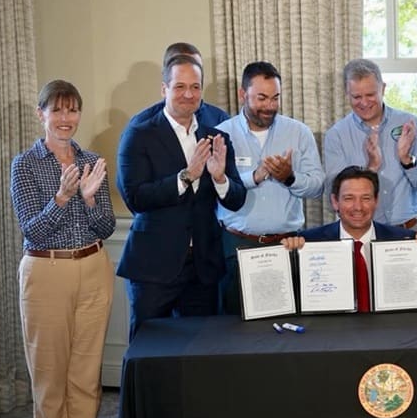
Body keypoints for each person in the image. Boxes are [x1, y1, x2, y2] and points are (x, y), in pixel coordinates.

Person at [10, 80, 116, 418]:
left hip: (94, 268)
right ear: (41, 114)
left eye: (72, 110)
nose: (65, 118)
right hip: (47, 273)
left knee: (86, 378)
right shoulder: (24, 165)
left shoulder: (91, 162)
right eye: (56, 110)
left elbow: (106, 226)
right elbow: (33, 230)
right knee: (50, 380)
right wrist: (62, 197)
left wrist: (89, 200)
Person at [116, 54, 247, 340]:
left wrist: (220, 178)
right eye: (180, 87)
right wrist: (186, 176)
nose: (188, 94)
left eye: (195, 87)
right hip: (154, 267)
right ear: (164, 89)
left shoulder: (216, 137)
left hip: (203, 268)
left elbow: (237, 199)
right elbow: (135, 197)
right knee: (148, 352)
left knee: (200, 352)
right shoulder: (138, 134)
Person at [215, 61, 324, 315]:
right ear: (242, 94)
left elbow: (317, 186)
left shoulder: (299, 132)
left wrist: (289, 178)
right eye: (262, 98)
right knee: (234, 327)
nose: (270, 106)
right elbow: (216, 187)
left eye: (275, 98)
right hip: (237, 246)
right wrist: (254, 177)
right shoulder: (221, 135)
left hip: (287, 245)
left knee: (288, 327)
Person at [280, 166, 417, 310]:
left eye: (366, 198)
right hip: (333, 327)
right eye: (349, 198)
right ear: (335, 202)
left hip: (389, 326)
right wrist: (289, 255)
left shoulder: (405, 241)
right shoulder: (308, 242)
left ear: (376, 201)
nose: (358, 207)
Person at [323, 58, 417, 229]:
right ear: (346, 94)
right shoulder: (336, 135)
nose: (364, 103)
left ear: (383, 88)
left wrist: (407, 160)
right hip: (362, 233)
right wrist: (370, 169)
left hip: (409, 229)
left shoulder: (411, 125)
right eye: (357, 97)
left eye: (370, 95)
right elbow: (335, 197)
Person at [128, 42, 229, 128]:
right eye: (180, 86)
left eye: (195, 67)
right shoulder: (141, 124)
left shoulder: (220, 119)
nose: (188, 94)